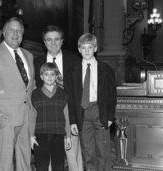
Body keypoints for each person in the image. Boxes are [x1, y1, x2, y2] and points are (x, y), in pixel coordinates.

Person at [0, 17, 35, 171]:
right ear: (3, 32)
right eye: (12, 30)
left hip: (25, 115)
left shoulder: (28, 55)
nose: (16, 34)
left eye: (19, 31)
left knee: (25, 158)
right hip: (4, 117)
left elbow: (30, 86)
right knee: (5, 161)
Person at [34, 25, 83, 171]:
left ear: (62, 41)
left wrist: (74, 119)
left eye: (56, 39)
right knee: (49, 159)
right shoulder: (36, 62)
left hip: (70, 115)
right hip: (46, 120)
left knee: (73, 155)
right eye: (49, 40)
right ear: (44, 42)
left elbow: (78, 92)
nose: (53, 43)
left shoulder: (74, 60)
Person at [69, 33, 117, 171]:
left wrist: (109, 116)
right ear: (79, 49)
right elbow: (71, 97)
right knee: (88, 151)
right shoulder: (74, 70)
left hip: (99, 110)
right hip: (82, 113)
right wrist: (73, 120)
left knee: (103, 151)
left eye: (90, 47)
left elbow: (112, 95)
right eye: (83, 48)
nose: (87, 51)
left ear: (95, 48)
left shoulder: (106, 69)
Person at [30, 62, 72, 171]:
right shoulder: (35, 94)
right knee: (41, 166)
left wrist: (68, 136)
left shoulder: (63, 94)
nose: (49, 77)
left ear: (57, 76)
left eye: (52, 74)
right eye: (46, 74)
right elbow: (32, 116)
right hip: (40, 135)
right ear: (41, 76)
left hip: (58, 135)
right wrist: (31, 135)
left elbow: (67, 116)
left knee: (58, 166)